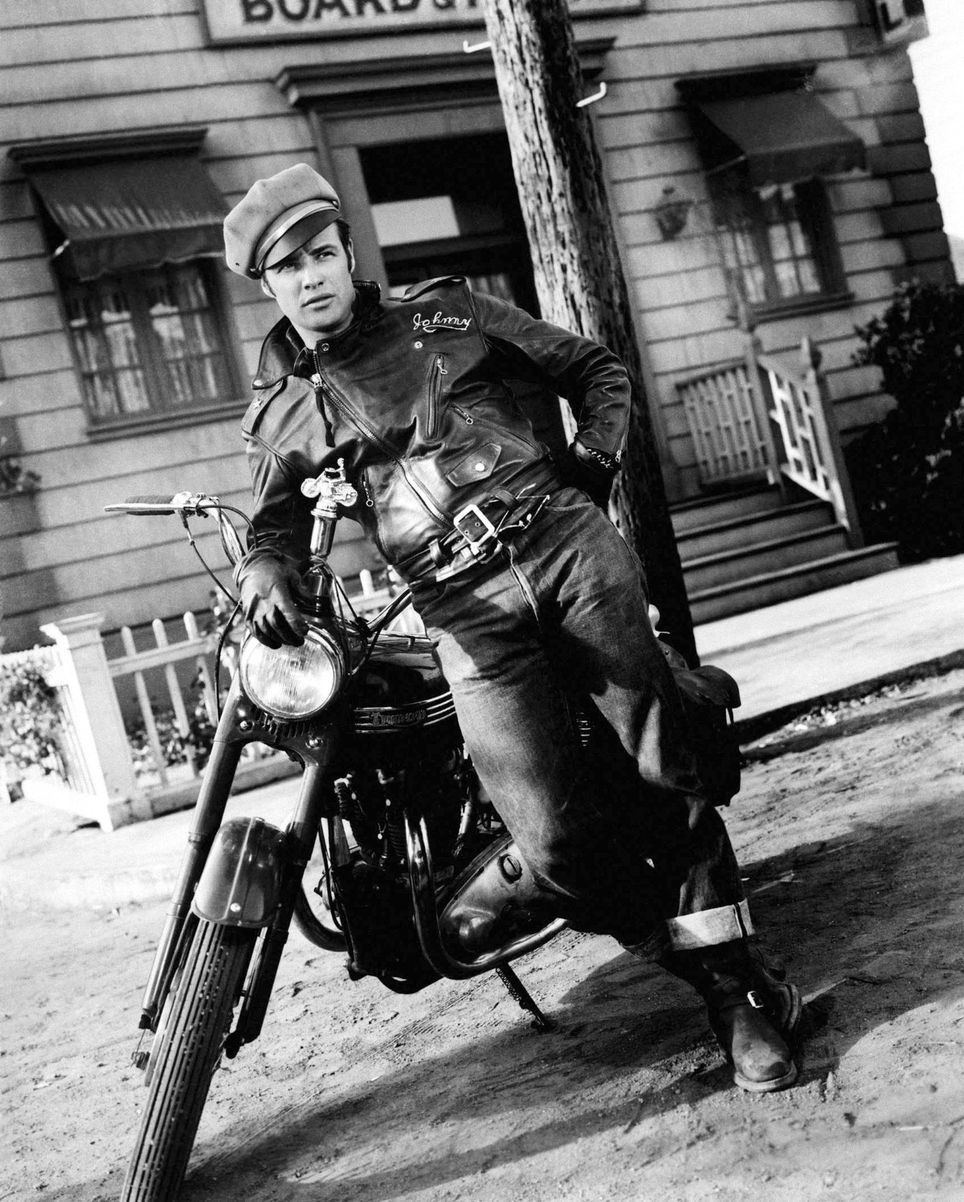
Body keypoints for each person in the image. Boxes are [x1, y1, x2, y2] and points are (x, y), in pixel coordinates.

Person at [223, 163, 803, 1092]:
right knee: (551, 839)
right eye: (289, 269)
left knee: (667, 765)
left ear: (347, 252)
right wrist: (265, 568)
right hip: (462, 610)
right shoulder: (288, 405)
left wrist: (593, 465)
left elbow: (596, 369)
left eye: (323, 254)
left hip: (565, 547)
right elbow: (274, 520)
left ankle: (737, 998)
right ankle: (693, 954)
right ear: (269, 287)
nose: (311, 277)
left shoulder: (447, 315)